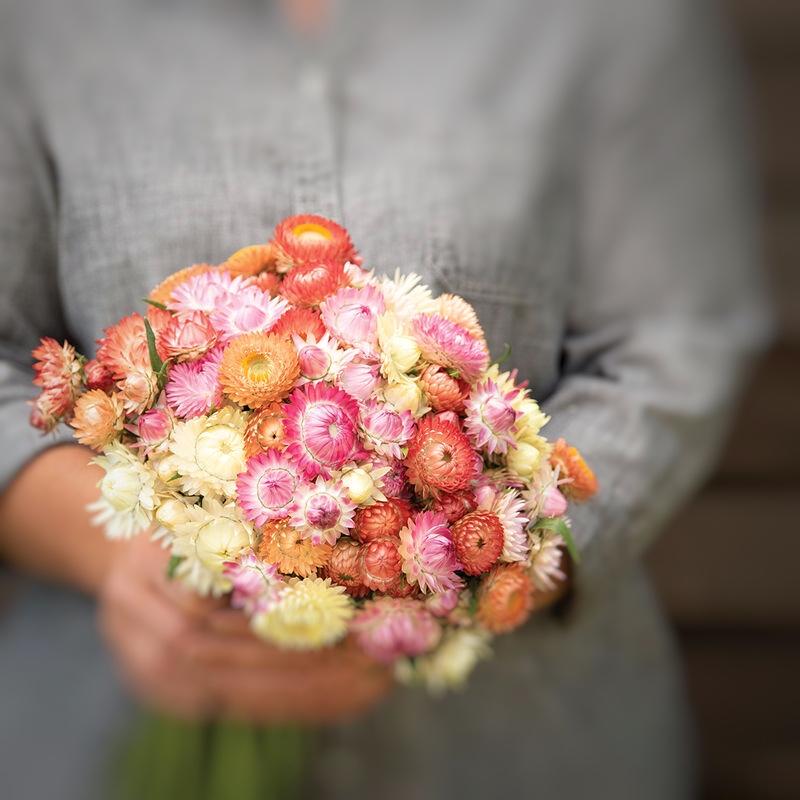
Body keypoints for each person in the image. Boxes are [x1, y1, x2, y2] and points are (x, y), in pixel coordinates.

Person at [0, 0, 771, 798]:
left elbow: (678, 337)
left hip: (519, 745)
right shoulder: (43, 25)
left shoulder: (610, 23)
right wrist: (127, 556)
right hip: (95, 719)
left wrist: (461, 571)